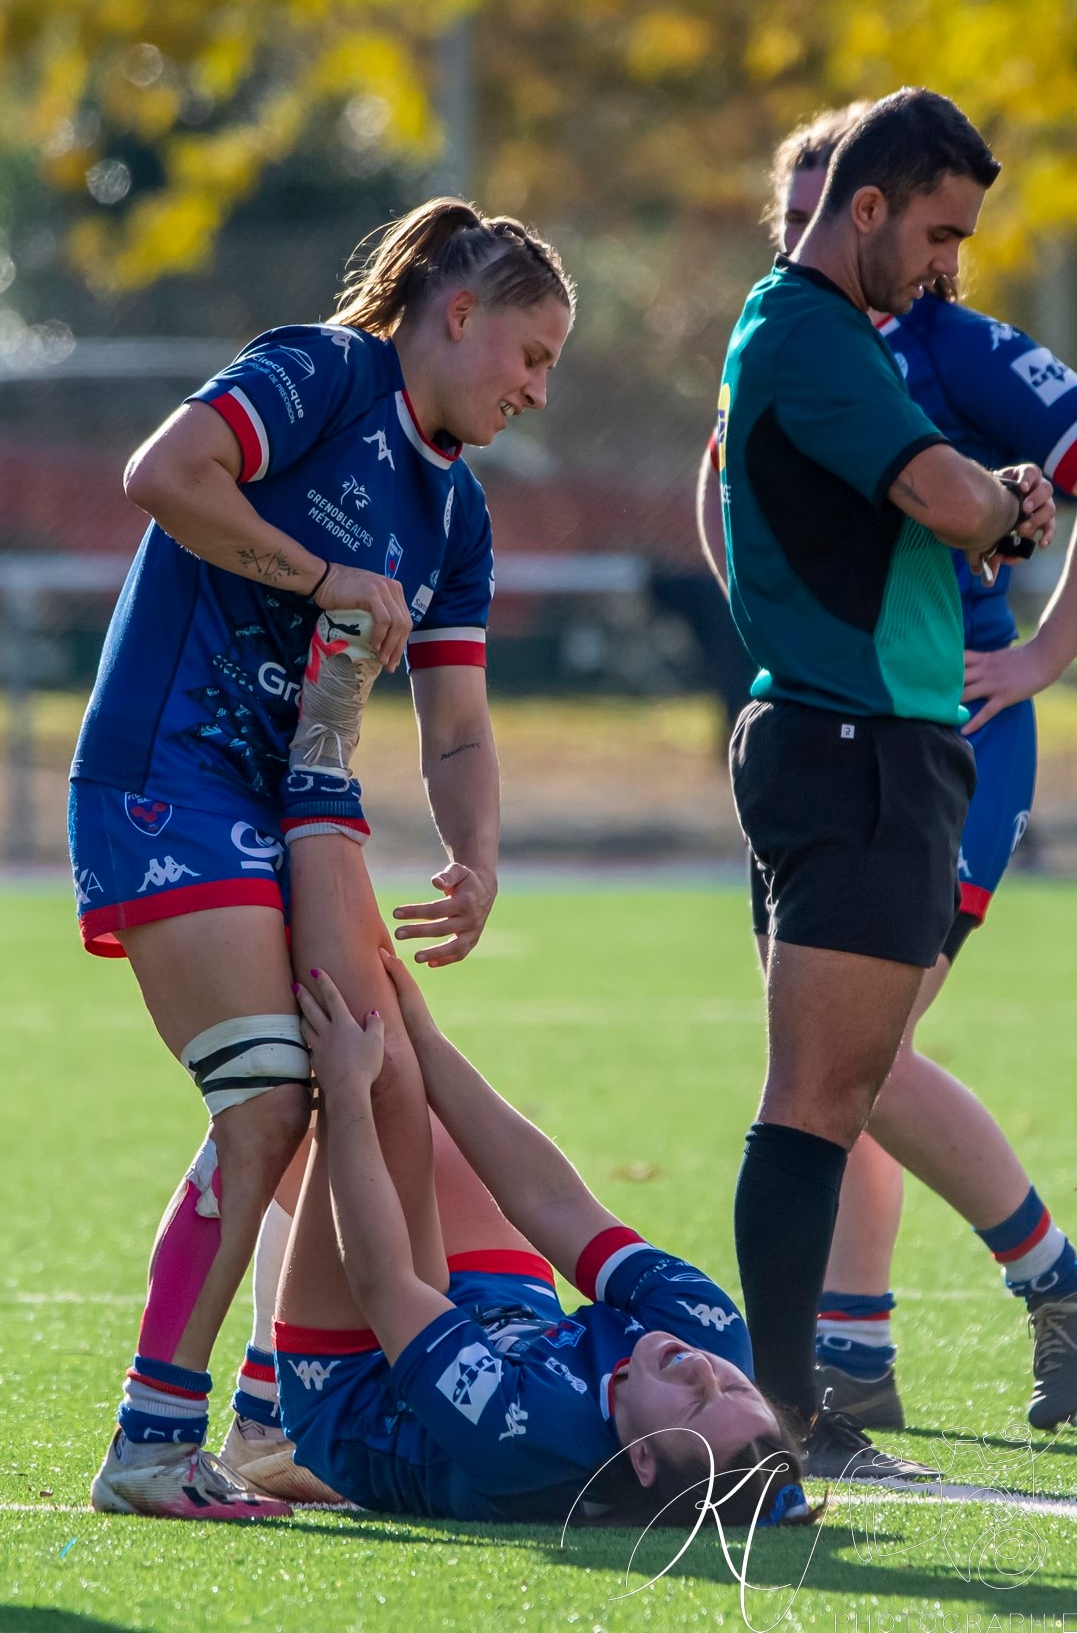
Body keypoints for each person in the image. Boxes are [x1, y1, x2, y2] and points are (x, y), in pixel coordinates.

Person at [71, 197, 575, 1518]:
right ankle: (153, 1442)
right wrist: (319, 577)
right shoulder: (321, 370)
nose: (536, 390)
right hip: (168, 778)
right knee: (272, 1098)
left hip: (294, 810)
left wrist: (476, 853)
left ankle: (271, 1420)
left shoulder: (455, 509)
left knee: (349, 1089)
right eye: (531, 355)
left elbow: (455, 725)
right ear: (458, 315)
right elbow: (164, 474)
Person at [699, 104, 1077, 1437]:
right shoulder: (813, 332)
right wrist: (1008, 498)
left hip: (875, 738)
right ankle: (791, 1411)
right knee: (824, 1092)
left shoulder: (839, 334)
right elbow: (949, 496)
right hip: (857, 743)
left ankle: (811, 1388)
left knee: (842, 1085)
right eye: (936, 231)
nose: (944, 262)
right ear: (864, 209)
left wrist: (1029, 624)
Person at [270, 900, 819, 1527]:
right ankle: (259, 1131)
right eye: (738, 1387)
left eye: (694, 1404)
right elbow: (554, 1203)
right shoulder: (710, 1332)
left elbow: (385, 1283)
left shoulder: (530, 1442)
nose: (703, 1371)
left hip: (360, 1382)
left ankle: (247, 1392)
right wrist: (428, 1042)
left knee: (372, 1082)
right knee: (391, 1068)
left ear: (640, 1460)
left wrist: (344, 1097)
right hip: (502, 1309)